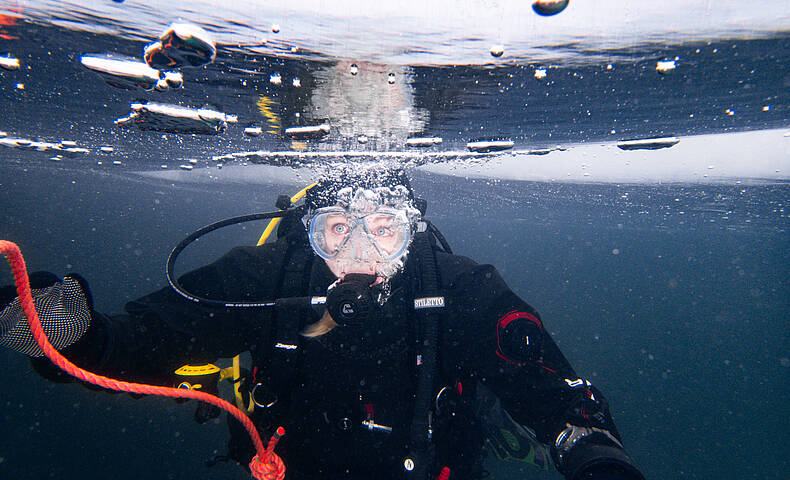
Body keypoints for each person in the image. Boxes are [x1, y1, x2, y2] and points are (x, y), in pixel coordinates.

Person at [0, 166, 645, 480]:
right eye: (338, 229)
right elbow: (133, 346)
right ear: (311, 235)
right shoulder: (265, 279)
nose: (361, 251)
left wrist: (594, 458)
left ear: (411, 237)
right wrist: (64, 329)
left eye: (383, 229)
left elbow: (560, 403)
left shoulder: (462, 290)